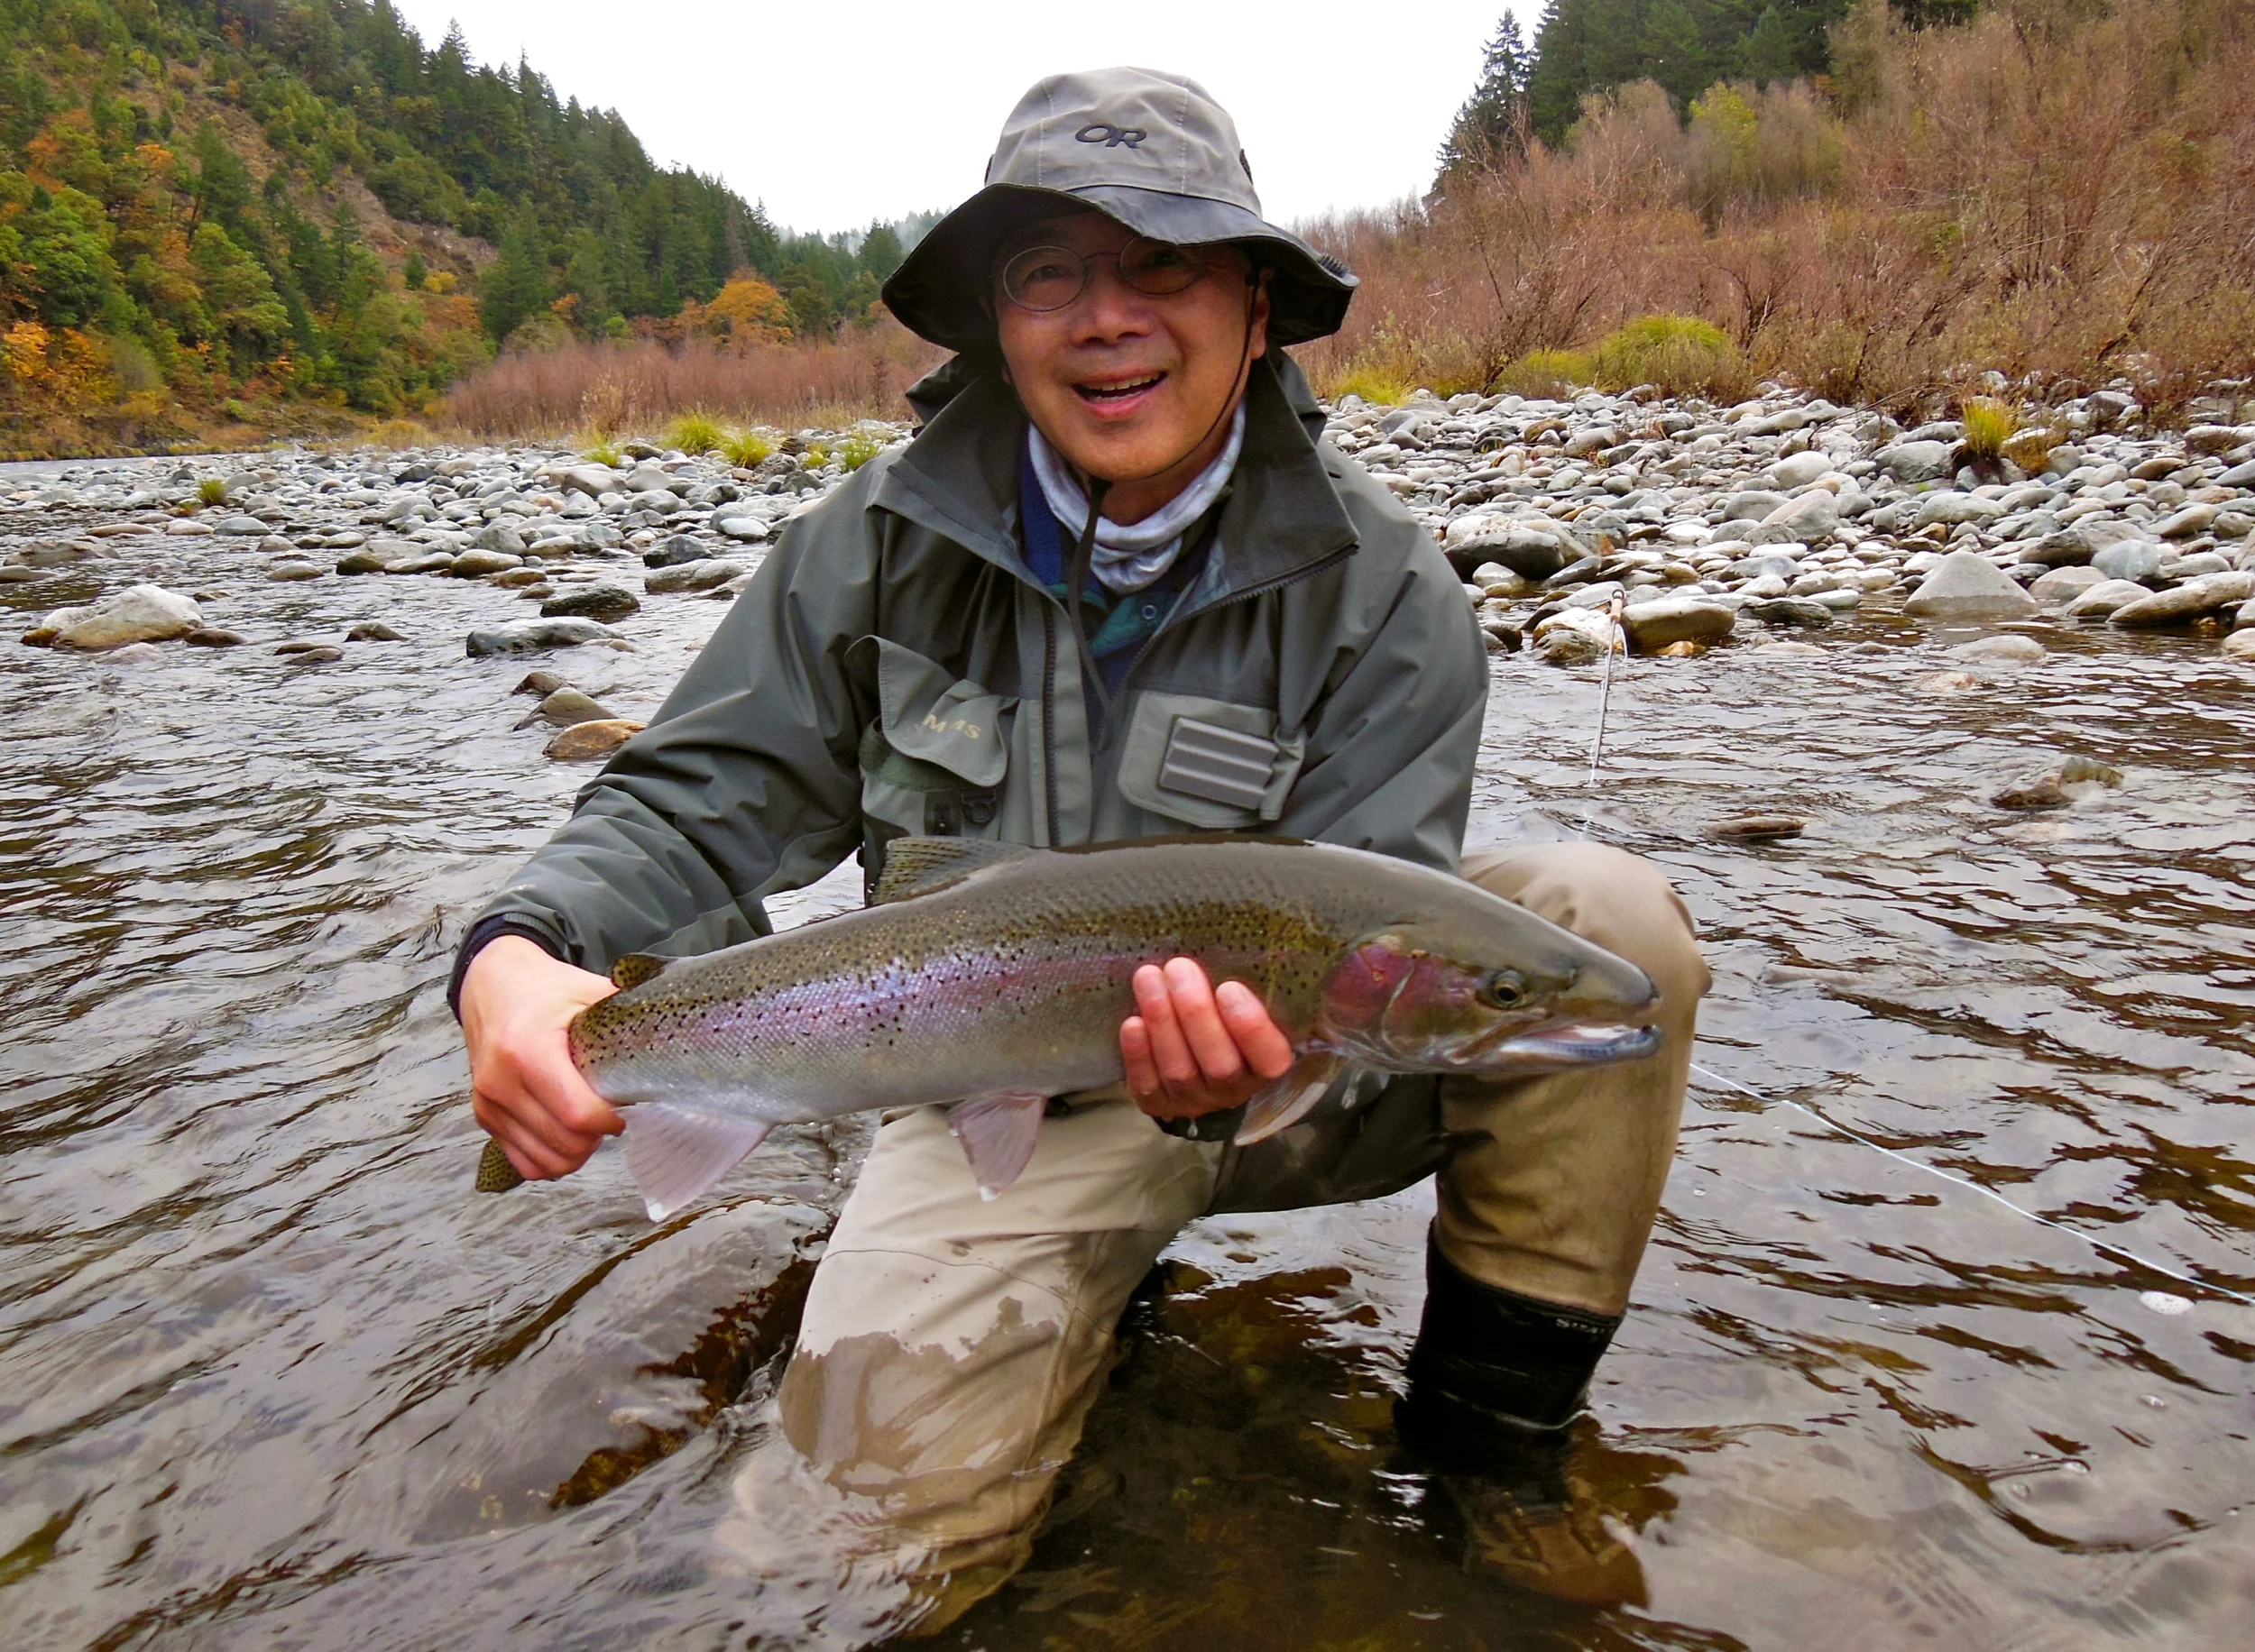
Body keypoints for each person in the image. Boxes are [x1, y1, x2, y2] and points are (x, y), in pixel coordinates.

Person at [453, 67, 1708, 1629]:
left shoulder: (1388, 587)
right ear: (996, 322)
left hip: (1301, 1084)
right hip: (994, 1092)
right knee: (843, 1568)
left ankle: (1486, 1469)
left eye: (1163, 267)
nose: (1107, 318)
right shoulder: (864, 548)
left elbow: (1389, 902)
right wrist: (523, 956)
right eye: (1052, 273)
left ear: (1258, 306)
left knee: (1607, 926)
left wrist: (1257, 1059)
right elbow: (690, 800)